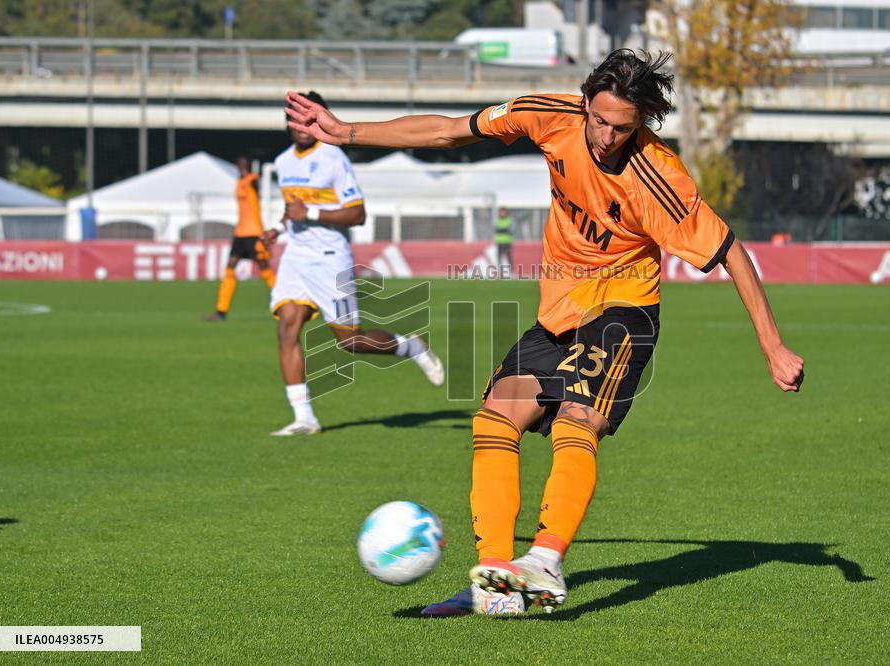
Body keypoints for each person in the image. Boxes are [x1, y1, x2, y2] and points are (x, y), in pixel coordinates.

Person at [285, 50, 804, 613]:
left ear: (643, 124)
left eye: (622, 128)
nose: (606, 136)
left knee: (579, 418)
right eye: (599, 120)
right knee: (495, 417)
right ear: (584, 103)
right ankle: (496, 577)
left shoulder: (659, 180)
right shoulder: (549, 115)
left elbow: (732, 253)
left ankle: (546, 560)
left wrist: (772, 345)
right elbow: (450, 131)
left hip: (622, 309)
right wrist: (348, 131)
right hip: (558, 312)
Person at [263, 91, 445, 437]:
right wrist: (277, 228)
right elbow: (293, 208)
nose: (303, 125)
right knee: (287, 326)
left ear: (319, 118)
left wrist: (312, 212)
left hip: (330, 259)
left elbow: (358, 214)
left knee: (349, 341)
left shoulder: (333, 158)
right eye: (296, 118)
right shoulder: (283, 162)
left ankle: (410, 346)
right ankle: (305, 418)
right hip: (296, 256)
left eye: (309, 118)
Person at [205, 156, 276, 321]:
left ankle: (285, 306)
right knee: (229, 268)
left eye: (245, 164)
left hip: (254, 233)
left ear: (249, 165)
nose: (242, 166)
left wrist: (251, 176)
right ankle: (221, 311)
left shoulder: (252, 179)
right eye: (240, 163)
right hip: (240, 233)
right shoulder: (238, 183)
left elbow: (256, 185)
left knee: (265, 269)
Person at [494, 207, 513, 277]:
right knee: (499, 258)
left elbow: (510, 230)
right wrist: (504, 229)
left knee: (509, 257)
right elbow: (495, 229)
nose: (501, 213)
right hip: (499, 242)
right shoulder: (497, 220)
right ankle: (500, 273)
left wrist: (501, 230)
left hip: (507, 241)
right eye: (500, 212)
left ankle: (511, 272)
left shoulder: (509, 220)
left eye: (503, 212)